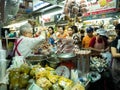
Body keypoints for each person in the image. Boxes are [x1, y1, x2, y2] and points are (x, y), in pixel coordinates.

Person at [111, 23, 120, 90]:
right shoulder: (115, 41)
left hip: (117, 64)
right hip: (117, 64)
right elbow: (114, 54)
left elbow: (114, 54)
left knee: (117, 82)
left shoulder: (115, 41)